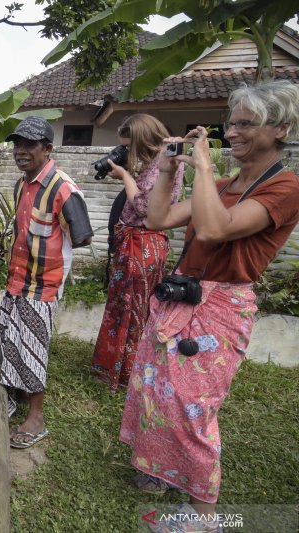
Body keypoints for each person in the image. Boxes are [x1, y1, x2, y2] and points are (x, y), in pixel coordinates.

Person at [120, 80, 299, 533]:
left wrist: (200, 165)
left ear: (281, 128)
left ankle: (205, 519)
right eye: (230, 123)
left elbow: (217, 229)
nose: (232, 132)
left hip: (221, 306)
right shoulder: (222, 184)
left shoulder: (285, 187)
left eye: (246, 124)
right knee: (155, 388)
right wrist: (166, 168)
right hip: (183, 296)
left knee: (193, 405)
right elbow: (158, 218)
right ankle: (161, 474)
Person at [1, 116, 93, 449]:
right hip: (16, 280)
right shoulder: (22, 185)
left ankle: (36, 418)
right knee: (11, 338)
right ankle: (12, 398)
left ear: (47, 149)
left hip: (43, 286)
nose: (20, 151)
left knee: (34, 347)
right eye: (17, 144)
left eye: (29, 145)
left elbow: (82, 235)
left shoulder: (62, 188)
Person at [91, 114, 185, 391]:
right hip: (136, 243)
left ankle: (124, 373)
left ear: (143, 140)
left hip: (142, 244)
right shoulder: (157, 163)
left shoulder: (164, 164)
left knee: (132, 309)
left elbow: (144, 207)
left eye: (129, 147)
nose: (128, 153)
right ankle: (112, 367)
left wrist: (125, 176)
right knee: (122, 305)